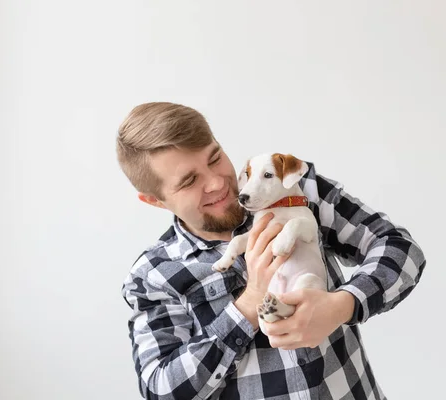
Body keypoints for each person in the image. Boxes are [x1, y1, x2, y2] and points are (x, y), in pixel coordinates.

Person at [117, 102, 426, 400]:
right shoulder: (154, 276)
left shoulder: (300, 193)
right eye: (189, 181)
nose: (217, 183)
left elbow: (401, 248)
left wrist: (342, 305)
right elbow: (162, 389)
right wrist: (248, 306)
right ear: (154, 200)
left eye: (214, 158)